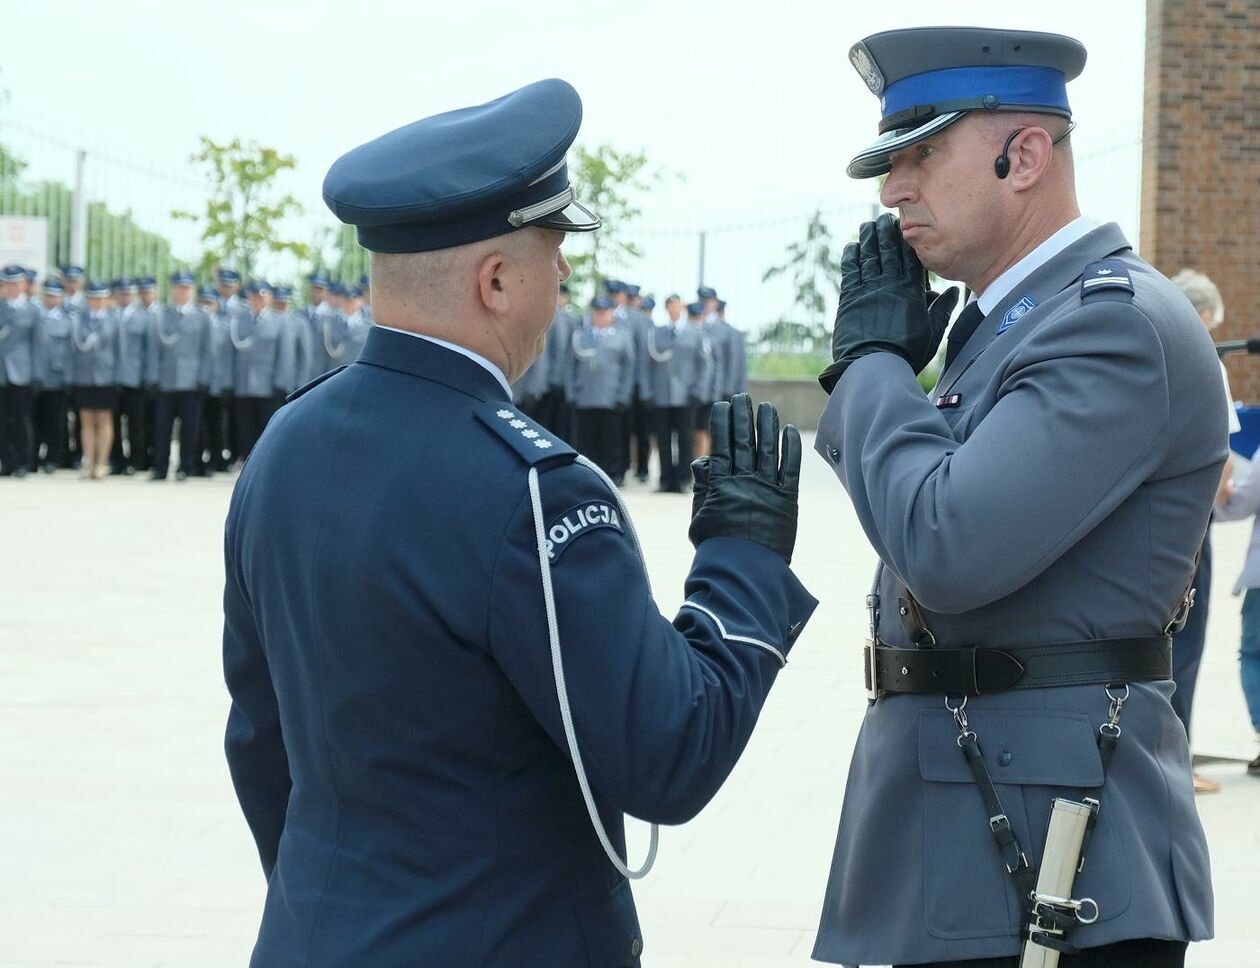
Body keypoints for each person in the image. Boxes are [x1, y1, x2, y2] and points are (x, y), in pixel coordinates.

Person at [223, 78, 815, 968]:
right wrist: (745, 557)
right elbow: (669, 754)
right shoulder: (538, 489)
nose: (567, 278)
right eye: (554, 254)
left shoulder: (284, 445)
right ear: (497, 281)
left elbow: (259, 738)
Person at [812, 27, 1219, 968]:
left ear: (1024, 155)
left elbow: (948, 545)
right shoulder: (1009, 327)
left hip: (1052, 850)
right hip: (976, 824)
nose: (892, 190)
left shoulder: (1111, 328)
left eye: (921, 154)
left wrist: (871, 367)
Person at [1167, 268, 1238, 793]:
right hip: (1191, 527)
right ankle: (1178, 763)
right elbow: (1224, 470)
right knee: (1184, 644)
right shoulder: (1203, 361)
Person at [646, 295, 712, 493]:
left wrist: (699, 390)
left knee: (685, 438)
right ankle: (666, 480)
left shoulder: (696, 333)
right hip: (662, 394)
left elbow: (705, 365)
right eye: (670, 306)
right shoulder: (656, 333)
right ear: (666, 308)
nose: (674, 309)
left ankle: (684, 479)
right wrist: (648, 391)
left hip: (686, 394)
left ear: (682, 307)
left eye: (677, 305)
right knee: (663, 438)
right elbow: (647, 364)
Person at [566, 295, 636, 482]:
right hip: (585, 396)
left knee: (611, 439)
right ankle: (588, 475)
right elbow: (570, 366)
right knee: (585, 439)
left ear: (611, 314)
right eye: (597, 312)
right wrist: (571, 392)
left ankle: (613, 474)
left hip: (611, 397)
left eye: (604, 312)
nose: (601, 316)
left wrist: (623, 394)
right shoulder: (581, 336)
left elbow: (628, 369)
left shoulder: (622, 337)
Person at [148, 270, 209, 481]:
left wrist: (204, 378)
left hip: (191, 382)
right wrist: (153, 377)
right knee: (162, 427)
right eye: (178, 288)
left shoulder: (202, 317)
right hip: (166, 381)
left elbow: (206, 351)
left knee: (189, 429)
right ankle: (160, 467)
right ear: (172, 290)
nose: (182, 292)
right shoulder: (162, 315)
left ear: (191, 291)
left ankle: (185, 467)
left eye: (186, 288)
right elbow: (154, 350)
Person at [70, 281, 119, 480]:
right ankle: (88, 462)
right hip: (85, 376)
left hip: (106, 375)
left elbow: (119, 350)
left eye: (100, 298)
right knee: (87, 421)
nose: (97, 302)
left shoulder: (113, 320)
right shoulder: (79, 319)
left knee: (104, 420)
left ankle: (101, 463)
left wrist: (119, 376)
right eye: (93, 298)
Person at [231, 281, 284, 461]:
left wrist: (280, 382)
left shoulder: (279, 322)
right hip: (243, 384)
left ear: (269, 297)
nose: (258, 300)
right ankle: (247, 461)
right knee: (244, 427)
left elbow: (283, 355)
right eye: (254, 296)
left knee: (266, 428)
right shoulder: (239, 320)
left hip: (267, 386)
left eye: (262, 296)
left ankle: (264, 463)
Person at [32, 277, 73, 472]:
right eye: (47, 295)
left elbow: (70, 352)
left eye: (55, 296)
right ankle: (32, 457)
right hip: (33, 376)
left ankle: (53, 458)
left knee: (55, 421)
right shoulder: (34, 317)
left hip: (56, 378)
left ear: (61, 297)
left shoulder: (68, 320)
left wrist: (67, 377)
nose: (51, 299)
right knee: (33, 419)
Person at [0, 264, 37, 477]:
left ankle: (24, 461)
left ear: (23, 284)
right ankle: (7, 461)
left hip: (22, 371)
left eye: (16, 283)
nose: (12, 287)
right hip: (1, 372)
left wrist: (38, 374)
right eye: (8, 283)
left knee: (22, 418)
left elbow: (38, 345)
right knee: (2, 420)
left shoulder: (33, 310)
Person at [109, 277, 148, 475]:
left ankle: (135, 460)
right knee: (113, 422)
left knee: (135, 423)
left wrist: (148, 376)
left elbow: (148, 350)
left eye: (128, 293)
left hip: (136, 377)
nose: (124, 297)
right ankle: (116, 460)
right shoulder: (109, 316)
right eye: (121, 293)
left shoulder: (144, 317)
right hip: (112, 377)